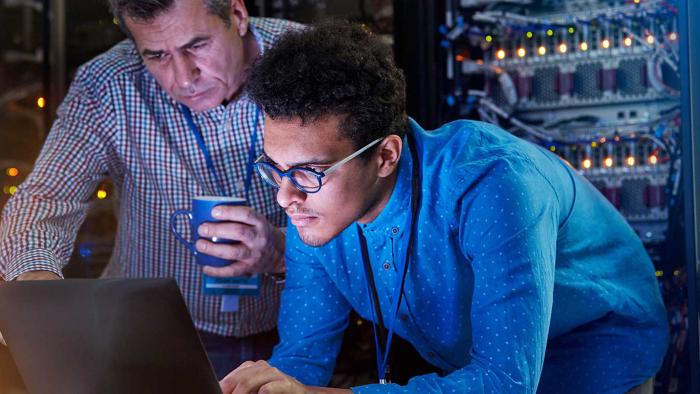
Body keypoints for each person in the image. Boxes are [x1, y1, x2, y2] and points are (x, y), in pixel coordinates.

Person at [216, 22, 669, 393]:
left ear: (385, 156)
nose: (284, 196)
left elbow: (505, 383)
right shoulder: (312, 209)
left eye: (307, 172)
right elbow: (300, 365)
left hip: (597, 360)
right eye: (275, 169)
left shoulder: (493, 183)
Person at [0, 0, 301, 378]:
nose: (184, 78)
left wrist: (284, 251)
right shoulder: (108, 83)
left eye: (196, 46)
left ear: (237, 15)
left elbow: (374, 200)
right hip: (149, 337)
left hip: (298, 330)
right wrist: (36, 288)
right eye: (156, 55)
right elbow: (43, 199)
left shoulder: (306, 60)